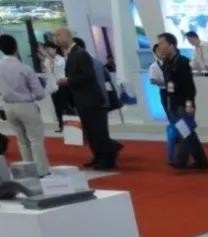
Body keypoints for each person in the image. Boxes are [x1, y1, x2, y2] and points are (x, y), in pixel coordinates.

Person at [54, 27, 119, 169]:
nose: (55, 39)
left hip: (91, 100)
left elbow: (88, 76)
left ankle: (107, 160)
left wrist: (68, 81)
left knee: (98, 131)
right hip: (82, 100)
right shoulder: (71, 54)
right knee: (90, 132)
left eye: (58, 35)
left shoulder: (80, 54)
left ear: (67, 35)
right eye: (54, 36)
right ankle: (98, 156)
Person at [157, 32, 208, 169]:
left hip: (184, 104)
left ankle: (180, 160)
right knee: (188, 133)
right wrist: (169, 101)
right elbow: (168, 84)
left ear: (171, 45)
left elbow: (189, 87)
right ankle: (202, 161)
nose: (159, 46)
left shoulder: (183, 62)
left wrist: (189, 104)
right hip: (173, 104)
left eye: (162, 43)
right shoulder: (166, 63)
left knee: (184, 132)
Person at [0, 34, 49, 175]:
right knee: (35, 140)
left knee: (22, 141)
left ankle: (28, 171)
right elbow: (39, 93)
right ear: (16, 47)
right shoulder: (24, 68)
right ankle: (41, 171)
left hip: (8, 107)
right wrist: (32, 96)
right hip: (26, 105)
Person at [39, 41, 67, 132]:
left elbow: (55, 68)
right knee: (57, 107)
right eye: (46, 49)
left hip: (62, 85)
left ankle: (69, 125)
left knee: (64, 106)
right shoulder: (47, 60)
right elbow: (47, 71)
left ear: (55, 49)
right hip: (53, 86)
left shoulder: (60, 59)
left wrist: (46, 56)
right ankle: (61, 125)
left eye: (49, 49)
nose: (47, 51)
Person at [148, 44, 169, 119]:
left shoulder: (172, 63)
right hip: (165, 91)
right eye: (158, 51)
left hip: (177, 90)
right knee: (170, 114)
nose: (161, 52)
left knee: (181, 114)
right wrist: (165, 82)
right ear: (155, 54)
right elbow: (152, 81)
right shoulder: (153, 66)